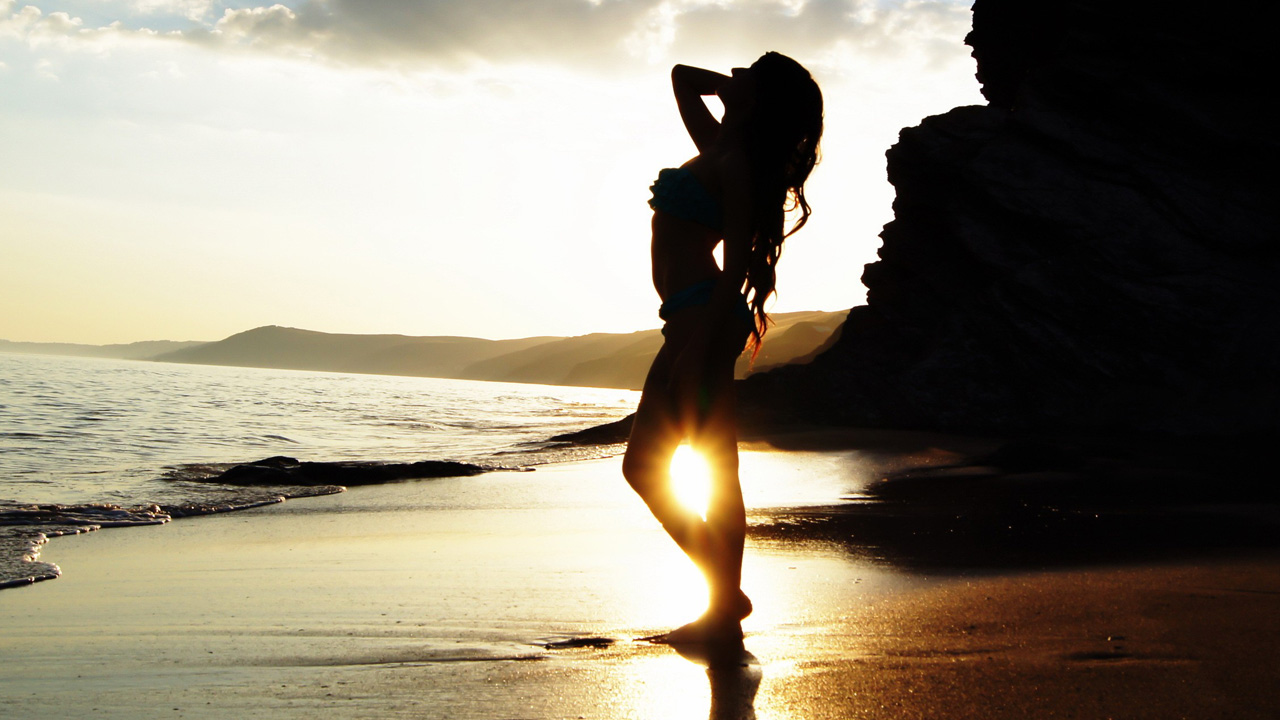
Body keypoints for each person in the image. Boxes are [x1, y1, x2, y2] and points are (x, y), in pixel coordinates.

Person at [622, 52, 823, 643]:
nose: (732, 75)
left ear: (760, 101)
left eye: (747, 75)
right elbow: (683, 76)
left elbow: (736, 265)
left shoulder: (738, 165)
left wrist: (698, 347)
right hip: (687, 320)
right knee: (651, 468)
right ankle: (724, 599)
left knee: (701, 466)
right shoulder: (720, 146)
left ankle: (722, 606)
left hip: (703, 321)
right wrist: (744, 91)